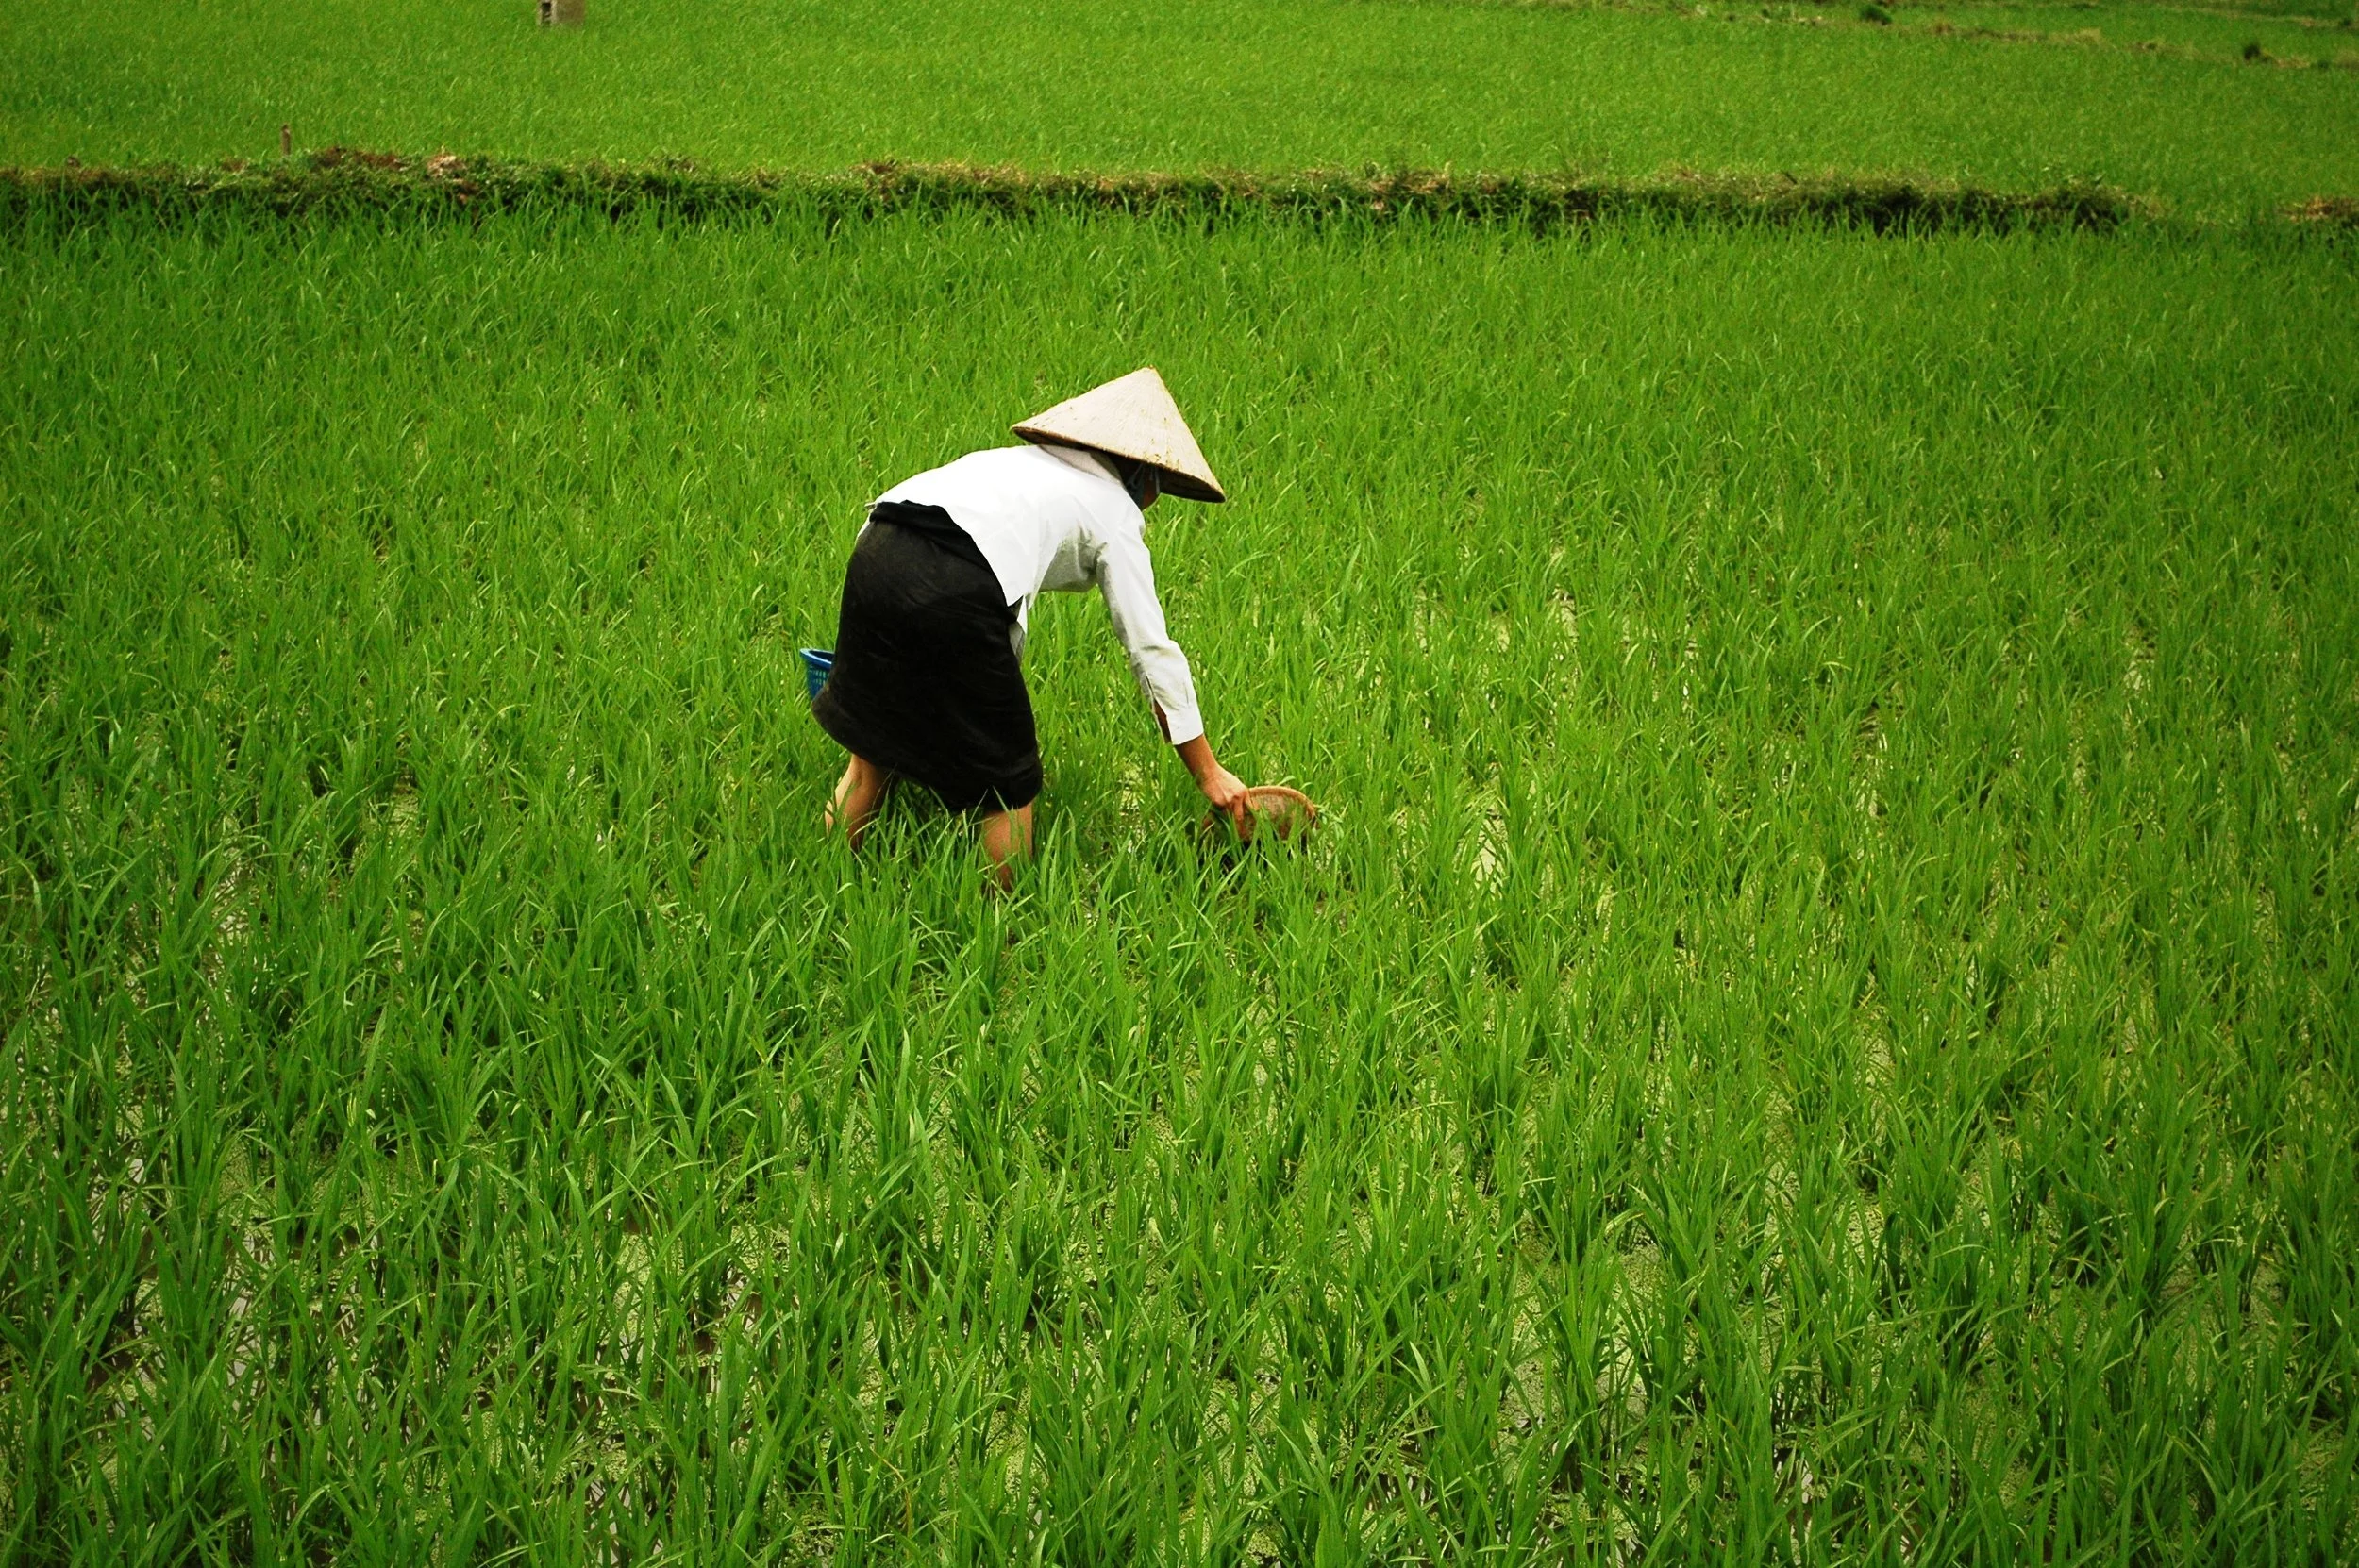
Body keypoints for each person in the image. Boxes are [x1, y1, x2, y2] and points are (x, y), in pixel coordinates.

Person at [813, 367, 1251, 884]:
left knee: (869, 757)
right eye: (1160, 484)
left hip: (877, 550)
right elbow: (1150, 650)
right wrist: (1208, 770)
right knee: (1008, 786)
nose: (1154, 500)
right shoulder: (1113, 508)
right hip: (957, 582)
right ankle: (1002, 925)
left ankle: (828, 881)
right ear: (1139, 471)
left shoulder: (1017, 467)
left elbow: (996, 586)